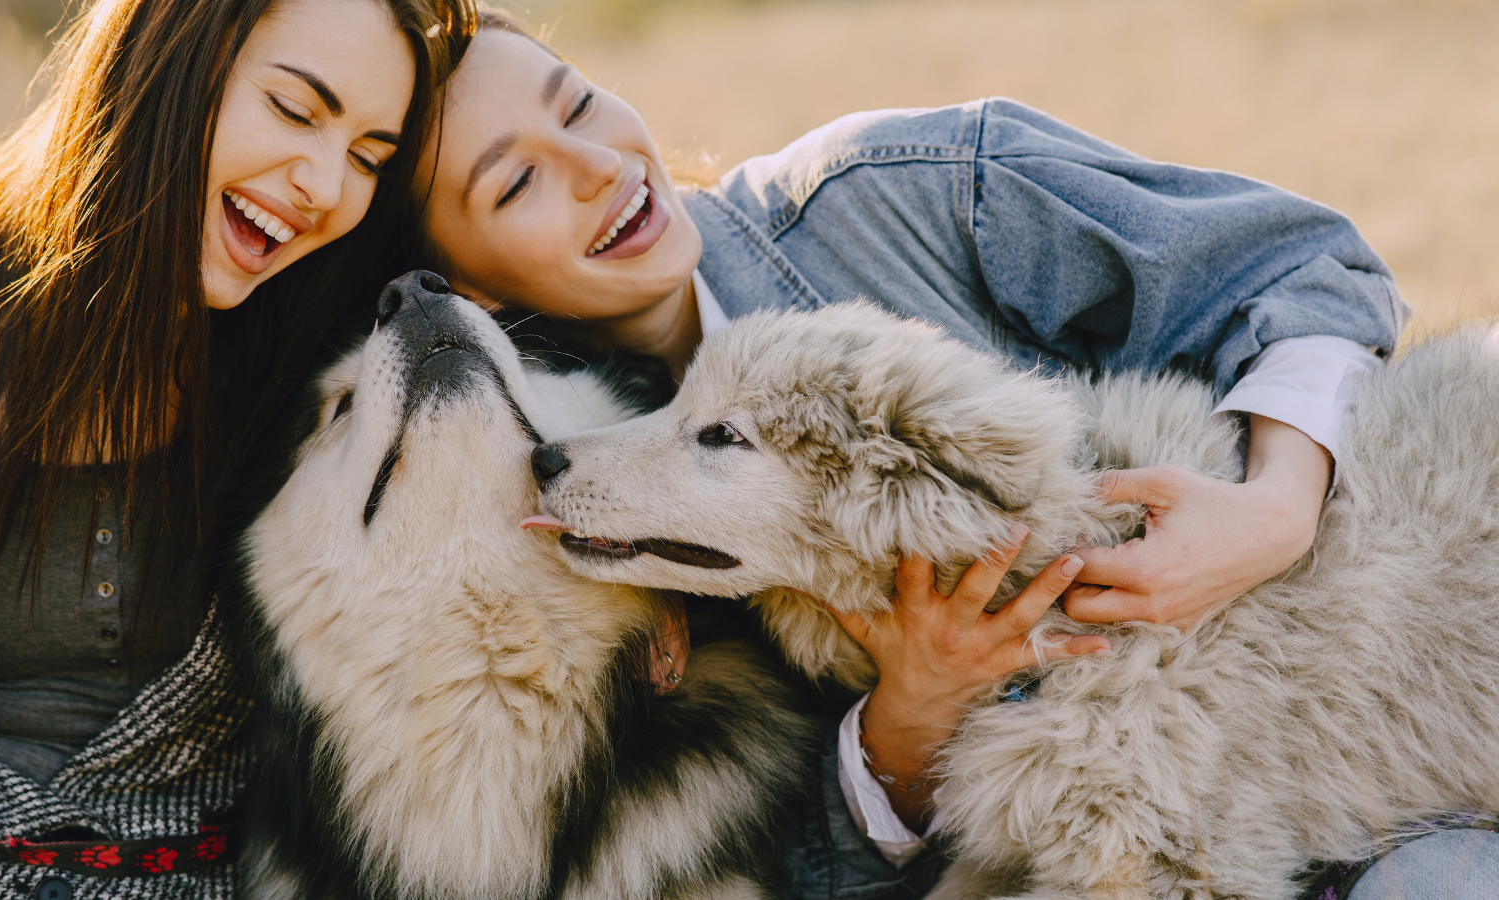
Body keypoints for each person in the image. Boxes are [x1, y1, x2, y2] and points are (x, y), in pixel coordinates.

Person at [412, 11, 1495, 899]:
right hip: (1170, 804)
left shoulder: (898, 188)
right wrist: (908, 716)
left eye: (580, 103)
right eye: (516, 185)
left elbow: (1299, 267)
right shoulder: (572, 488)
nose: (600, 167)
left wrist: (1272, 510)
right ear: (470, 293)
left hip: (1333, 670)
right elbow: (776, 859)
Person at [0, 0, 470, 895]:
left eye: (367, 157)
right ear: (161, 57)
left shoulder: (330, 377)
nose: (324, 186)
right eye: (294, 109)